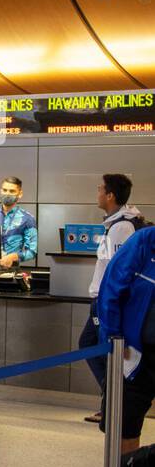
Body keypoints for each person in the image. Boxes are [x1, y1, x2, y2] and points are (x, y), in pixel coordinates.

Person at [80, 174, 143, 423]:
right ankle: (110, 401)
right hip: (101, 299)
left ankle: (113, 403)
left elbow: (120, 270)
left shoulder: (122, 228)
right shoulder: (115, 224)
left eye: (100, 189)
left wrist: (110, 303)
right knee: (91, 345)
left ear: (110, 195)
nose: (97, 193)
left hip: (106, 301)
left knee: (97, 348)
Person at [96, 225, 155, 456]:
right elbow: (110, 290)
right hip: (134, 353)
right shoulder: (144, 242)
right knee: (124, 428)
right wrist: (113, 336)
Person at [0, 176, 37, 268]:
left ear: (20, 194)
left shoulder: (28, 219)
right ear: (0, 191)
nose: (7, 194)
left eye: (12, 191)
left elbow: (32, 251)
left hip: (12, 270)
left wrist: (13, 257)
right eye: (5, 190)